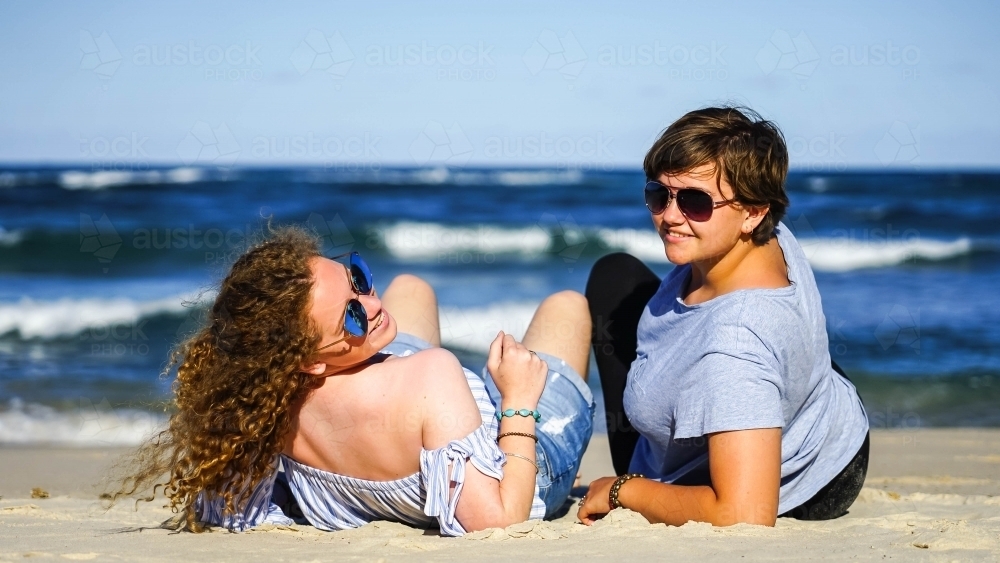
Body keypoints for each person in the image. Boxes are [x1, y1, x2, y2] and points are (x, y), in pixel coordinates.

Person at [112, 226, 595, 536]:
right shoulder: (433, 373)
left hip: (401, 400)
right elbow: (497, 520)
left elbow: (225, 504)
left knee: (410, 286)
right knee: (567, 306)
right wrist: (517, 400)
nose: (373, 304)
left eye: (357, 279)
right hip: (506, 456)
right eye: (351, 317)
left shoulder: (267, 406)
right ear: (308, 361)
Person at [578, 107, 870, 526]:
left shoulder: (733, 349)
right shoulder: (764, 236)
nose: (671, 216)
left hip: (812, 480)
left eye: (696, 201)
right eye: (659, 193)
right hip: (832, 415)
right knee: (615, 278)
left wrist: (624, 491)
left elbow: (745, 515)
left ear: (754, 212)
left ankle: (646, 474)